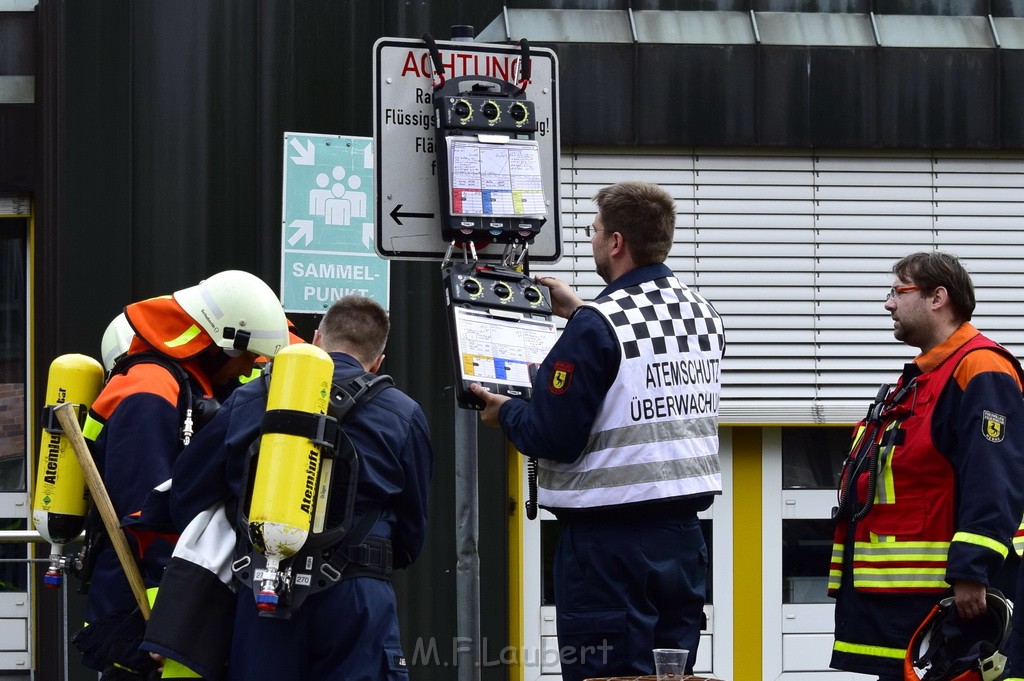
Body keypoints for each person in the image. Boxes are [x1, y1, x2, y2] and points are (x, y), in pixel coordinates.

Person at [469, 181, 726, 681]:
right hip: (683, 543)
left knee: (608, 675)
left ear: (615, 243)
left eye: (593, 232)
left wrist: (506, 413)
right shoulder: (703, 315)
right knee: (673, 676)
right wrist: (583, 309)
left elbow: (552, 435)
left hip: (608, 550)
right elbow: (642, 351)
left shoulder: (596, 326)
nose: (592, 242)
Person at [143, 294, 433, 681]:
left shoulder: (252, 396)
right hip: (358, 596)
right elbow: (412, 531)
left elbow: (189, 492)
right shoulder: (404, 414)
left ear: (315, 340)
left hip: (265, 587)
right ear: (378, 361)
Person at [76, 270, 290, 679]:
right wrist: (172, 615)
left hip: (170, 608)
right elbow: (145, 512)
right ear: (217, 341)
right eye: (246, 354)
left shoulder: (191, 386)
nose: (249, 367)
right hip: (142, 611)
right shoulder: (149, 389)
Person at [829, 251, 1024, 681]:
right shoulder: (920, 379)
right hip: (910, 604)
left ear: (939, 297)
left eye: (898, 291)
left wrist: (972, 570)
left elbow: (995, 479)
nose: (888, 304)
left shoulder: (981, 369)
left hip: (958, 603)